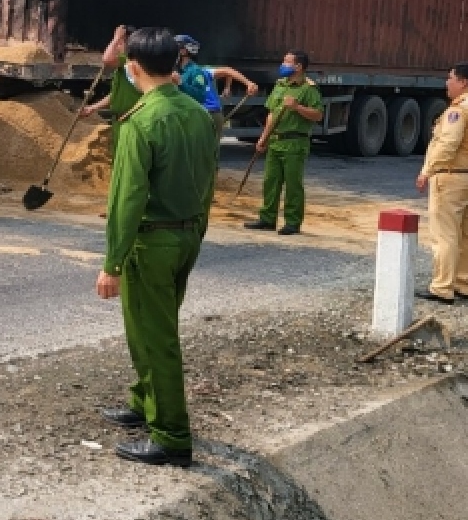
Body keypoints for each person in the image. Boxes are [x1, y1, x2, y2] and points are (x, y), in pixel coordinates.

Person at [94, 27, 218, 467]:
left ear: (134, 68)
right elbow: (207, 183)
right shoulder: (200, 115)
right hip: (186, 236)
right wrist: (195, 232)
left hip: (153, 241)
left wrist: (112, 261)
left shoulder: (142, 122)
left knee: (155, 337)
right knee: (151, 329)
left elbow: (126, 198)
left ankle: (170, 435)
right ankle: (144, 402)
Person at [415, 63, 468, 304]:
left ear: (463, 82)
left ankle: (442, 287)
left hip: (453, 177)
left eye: (450, 78)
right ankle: (465, 283)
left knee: (445, 234)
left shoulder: (459, 111)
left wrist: (427, 171)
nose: (447, 83)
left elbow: (448, 144)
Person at [243, 51, 322, 235]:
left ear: (298, 66)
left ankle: (292, 222)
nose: (282, 64)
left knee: (293, 184)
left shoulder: (308, 89)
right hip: (275, 140)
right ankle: (267, 218)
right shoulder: (280, 85)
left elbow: (318, 115)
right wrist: (263, 138)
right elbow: (271, 114)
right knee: (271, 181)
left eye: (287, 62)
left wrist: (297, 107)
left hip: (295, 142)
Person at [174, 34, 256, 140]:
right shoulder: (178, 72)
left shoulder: (200, 71)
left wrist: (248, 83)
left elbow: (227, 70)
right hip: (196, 114)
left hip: (209, 113)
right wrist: (227, 87)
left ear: (184, 52)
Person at [80, 25, 139, 121]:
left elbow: (107, 59)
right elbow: (116, 95)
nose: (117, 46)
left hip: (132, 119)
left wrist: (116, 38)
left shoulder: (130, 62)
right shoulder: (122, 67)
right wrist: (93, 107)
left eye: (121, 43)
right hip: (121, 119)